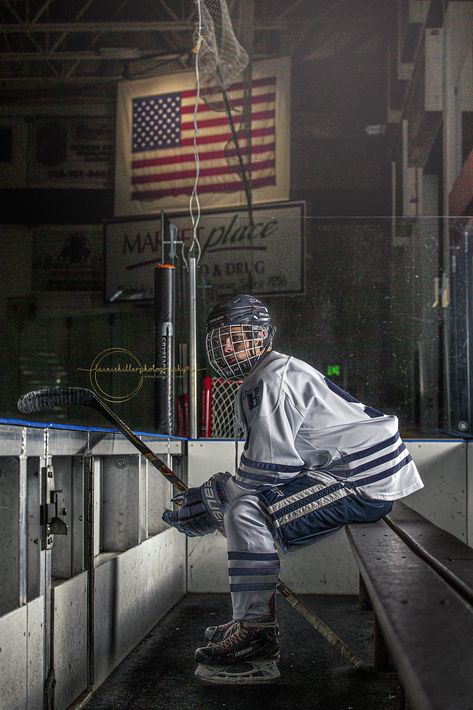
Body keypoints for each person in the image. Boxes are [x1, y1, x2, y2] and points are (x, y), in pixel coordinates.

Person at [162, 294, 424, 685]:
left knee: (247, 513)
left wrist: (211, 500)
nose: (229, 347)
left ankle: (256, 636)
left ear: (263, 336)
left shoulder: (270, 379)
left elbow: (267, 476)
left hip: (363, 479)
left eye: (239, 337)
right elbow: (271, 473)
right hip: (352, 470)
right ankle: (248, 622)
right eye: (222, 340)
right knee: (241, 509)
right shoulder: (267, 374)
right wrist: (215, 498)